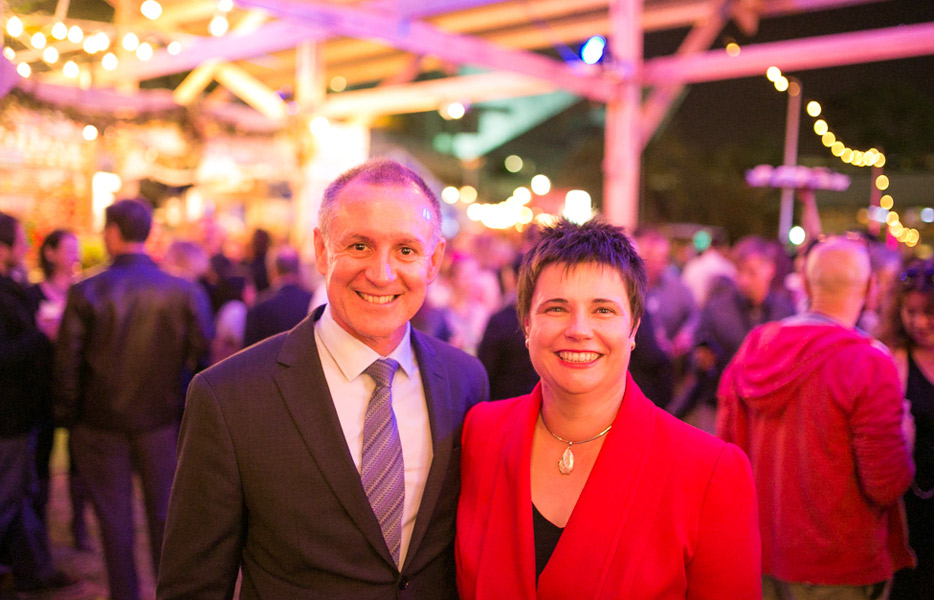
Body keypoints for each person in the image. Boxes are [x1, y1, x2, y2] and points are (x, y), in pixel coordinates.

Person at [159, 159, 489, 598]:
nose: (382, 274)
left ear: (434, 261)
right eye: (359, 246)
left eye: (406, 251)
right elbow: (193, 585)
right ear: (320, 249)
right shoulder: (229, 396)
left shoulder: (465, 380)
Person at [457, 218, 760, 599]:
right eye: (556, 308)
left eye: (603, 310)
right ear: (526, 324)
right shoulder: (480, 433)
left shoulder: (710, 472)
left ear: (633, 329)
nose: (579, 330)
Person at [717, 235, 915, 600]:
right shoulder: (870, 363)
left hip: (757, 555)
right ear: (870, 288)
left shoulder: (756, 346)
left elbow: (724, 453)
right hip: (838, 566)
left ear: (806, 285)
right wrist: (906, 438)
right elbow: (886, 485)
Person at [55, 199, 213, 600]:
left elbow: (68, 364)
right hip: (161, 421)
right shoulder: (182, 290)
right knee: (164, 516)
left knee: (115, 523)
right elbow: (202, 359)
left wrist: (67, 417)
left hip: (100, 422)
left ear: (112, 233)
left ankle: (125, 592)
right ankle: (169, 591)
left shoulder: (86, 290)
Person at [0, 213, 78, 593]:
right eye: (20, 241)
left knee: (23, 493)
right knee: (10, 496)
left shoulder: (13, 288)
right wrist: (41, 335)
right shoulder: (11, 294)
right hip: (9, 415)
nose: (26, 247)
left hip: (22, 413)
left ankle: (33, 571)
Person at [677, 235, 795, 431]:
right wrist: (699, 360)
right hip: (720, 407)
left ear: (770, 269)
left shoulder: (785, 312)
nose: (744, 280)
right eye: (739, 271)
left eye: (751, 272)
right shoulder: (717, 309)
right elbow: (696, 359)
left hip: (765, 411)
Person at [26, 229, 90, 549]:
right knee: (41, 458)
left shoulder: (85, 291)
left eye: (77, 248)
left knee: (79, 461)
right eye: (68, 248)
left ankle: (79, 526)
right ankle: (39, 528)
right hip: (42, 388)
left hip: (77, 388)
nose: (74, 254)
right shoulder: (32, 294)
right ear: (50, 253)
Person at [883, 260, 934, 600]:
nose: (919, 322)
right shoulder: (893, 359)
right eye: (910, 312)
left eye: (929, 313)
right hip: (909, 504)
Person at [242, 244, 312, 347]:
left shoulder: (259, 306)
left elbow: (248, 351)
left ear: (273, 270)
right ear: (298, 270)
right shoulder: (312, 301)